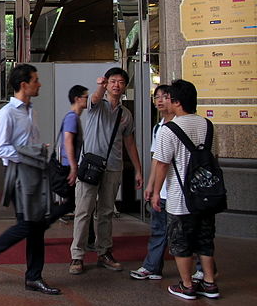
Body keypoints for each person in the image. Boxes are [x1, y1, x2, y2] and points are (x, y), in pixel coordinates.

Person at [0, 64, 60, 295]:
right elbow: (1, 149)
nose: (39, 83)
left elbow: (24, 143)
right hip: (18, 176)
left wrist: (35, 149)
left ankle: (33, 276)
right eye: (36, 80)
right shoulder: (7, 113)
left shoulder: (30, 110)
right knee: (29, 224)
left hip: (33, 173)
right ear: (24, 85)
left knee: (37, 226)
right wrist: (31, 153)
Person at [151, 79, 220, 300]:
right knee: (205, 239)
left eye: (168, 98)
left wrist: (155, 192)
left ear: (177, 102)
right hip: (206, 195)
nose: (165, 101)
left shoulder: (169, 129)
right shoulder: (207, 125)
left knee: (180, 241)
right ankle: (209, 283)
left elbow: (162, 164)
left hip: (180, 198)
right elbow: (213, 158)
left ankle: (187, 285)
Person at [69, 67, 143, 275]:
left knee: (106, 212)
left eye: (120, 82)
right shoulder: (96, 105)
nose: (116, 85)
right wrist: (99, 86)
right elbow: (94, 97)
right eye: (112, 81)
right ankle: (77, 255)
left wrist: (138, 170)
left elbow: (130, 143)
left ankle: (104, 252)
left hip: (113, 167)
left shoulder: (126, 114)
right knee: (83, 210)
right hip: (91, 166)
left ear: (125, 86)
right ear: (107, 84)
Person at [130, 85, 173, 280]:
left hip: (179, 191)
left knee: (187, 231)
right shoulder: (158, 128)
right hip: (162, 190)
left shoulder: (181, 124)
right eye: (157, 97)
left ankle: (202, 269)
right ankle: (153, 267)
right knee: (158, 230)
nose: (160, 100)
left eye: (165, 96)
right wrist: (151, 186)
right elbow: (157, 159)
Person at [51, 85, 88, 224]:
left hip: (69, 165)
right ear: (77, 99)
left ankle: (89, 237)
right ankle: (45, 222)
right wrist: (73, 167)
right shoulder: (72, 118)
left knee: (78, 202)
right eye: (85, 97)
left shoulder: (73, 117)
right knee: (79, 202)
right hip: (68, 167)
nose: (87, 100)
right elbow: (68, 141)